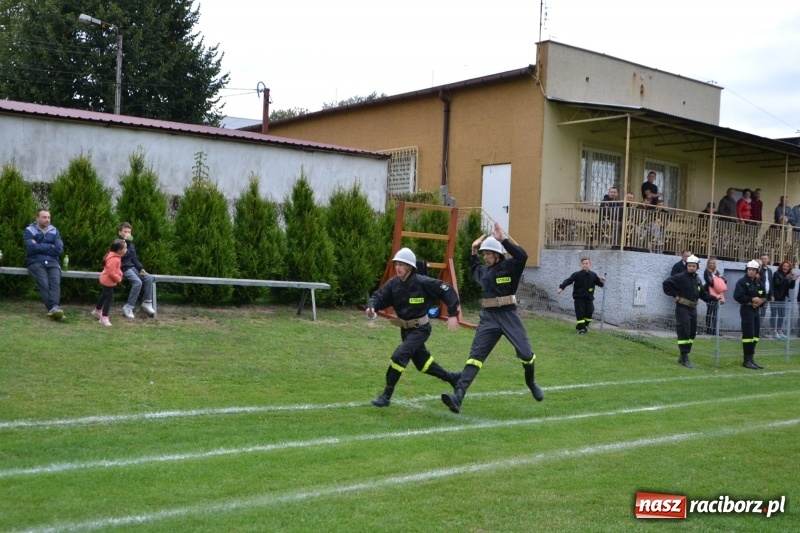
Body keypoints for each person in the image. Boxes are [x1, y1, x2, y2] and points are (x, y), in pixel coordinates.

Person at [441, 222, 544, 414]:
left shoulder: (510, 266)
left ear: (497, 254)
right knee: (475, 358)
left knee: (526, 354)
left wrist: (503, 239)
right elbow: (474, 267)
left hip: (508, 315)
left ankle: (531, 382)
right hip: (489, 318)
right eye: (484, 254)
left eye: (489, 253)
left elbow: (523, 256)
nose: (486, 257)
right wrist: (473, 251)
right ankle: (458, 397)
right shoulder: (483, 272)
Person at [366, 247, 462, 407]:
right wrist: (372, 308)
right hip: (405, 330)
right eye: (397, 264)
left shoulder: (423, 282)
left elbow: (447, 290)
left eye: (402, 265)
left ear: (410, 267)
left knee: (399, 356)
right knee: (423, 364)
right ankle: (452, 378)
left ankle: (386, 395)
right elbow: (379, 297)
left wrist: (453, 314)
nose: (398, 267)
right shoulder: (393, 284)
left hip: (421, 329)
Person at [662, 255, 721, 368]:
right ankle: (684, 357)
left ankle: (685, 354)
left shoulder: (697, 280)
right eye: (689, 266)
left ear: (697, 267)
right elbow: (666, 284)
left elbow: (702, 294)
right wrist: (675, 295)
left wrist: (714, 298)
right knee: (684, 330)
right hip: (682, 308)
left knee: (692, 332)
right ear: (686, 266)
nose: (691, 268)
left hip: (693, 309)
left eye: (693, 266)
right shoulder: (679, 277)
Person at [23, 209, 65, 320]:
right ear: (37, 218)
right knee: (44, 284)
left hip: (53, 262)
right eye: (44, 217)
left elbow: (59, 249)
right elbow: (31, 248)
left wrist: (40, 246)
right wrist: (50, 246)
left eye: (49, 217)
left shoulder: (54, 230)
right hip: (36, 262)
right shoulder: (29, 230)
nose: (47, 220)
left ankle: (54, 308)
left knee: (55, 283)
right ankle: (54, 309)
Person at [733, 260, 767, 370]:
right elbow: (738, 296)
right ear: (747, 270)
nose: (751, 272)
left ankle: (751, 358)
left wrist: (760, 302)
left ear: (757, 271)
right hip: (747, 310)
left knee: (755, 335)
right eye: (749, 269)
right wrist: (752, 299)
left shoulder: (758, 283)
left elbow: (764, 296)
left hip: (756, 311)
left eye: (753, 270)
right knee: (748, 334)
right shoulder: (742, 282)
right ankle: (746, 360)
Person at [117, 222, 156, 318]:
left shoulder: (132, 245)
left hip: (132, 268)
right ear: (120, 233)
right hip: (123, 268)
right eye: (125, 231)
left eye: (129, 232)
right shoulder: (117, 243)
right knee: (138, 282)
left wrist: (141, 268)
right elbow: (119, 257)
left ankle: (147, 303)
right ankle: (128, 307)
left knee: (148, 277)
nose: (127, 233)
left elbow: (134, 259)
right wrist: (124, 242)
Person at [557, 258, 605, 334]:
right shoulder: (576, 274)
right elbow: (569, 281)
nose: (585, 265)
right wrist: (561, 287)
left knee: (590, 311)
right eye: (583, 263)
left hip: (589, 298)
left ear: (590, 265)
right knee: (580, 312)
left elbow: (599, 283)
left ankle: (583, 325)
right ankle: (582, 329)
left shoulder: (593, 275)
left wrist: (601, 281)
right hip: (579, 297)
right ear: (581, 265)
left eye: (586, 263)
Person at [91, 239, 127, 327]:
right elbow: (111, 272)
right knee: (109, 298)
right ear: (119, 250)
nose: (127, 249)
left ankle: (97, 310)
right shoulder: (114, 259)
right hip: (107, 281)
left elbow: (116, 269)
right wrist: (119, 278)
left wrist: (120, 273)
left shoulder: (116, 257)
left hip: (107, 280)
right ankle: (104, 317)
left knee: (104, 295)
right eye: (125, 248)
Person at [770, 260, 797, 340]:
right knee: (774, 315)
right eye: (784, 266)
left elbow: (791, 287)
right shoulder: (776, 274)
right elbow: (777, 284)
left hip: (783, 297)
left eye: (787, 266)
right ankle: (774, 332)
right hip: (775, 297)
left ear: (789, 268)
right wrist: (785, 278)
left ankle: (779, 331)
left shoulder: (789, 275)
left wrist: (793, 280)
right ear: (781, 266)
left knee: (782, 315)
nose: (785, 267)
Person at [703, 258, 727, 335]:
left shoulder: (717, 272)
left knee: (716, 313)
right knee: (710, 312)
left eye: (713, 263)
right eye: (710, 263)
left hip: (717, 294)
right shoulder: (706, 272)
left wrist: (718, 280)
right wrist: (718, 281)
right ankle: (708, 329)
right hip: (710, 294)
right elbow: (710, 283)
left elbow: (724, 280)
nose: (711, 265)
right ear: (708, 264)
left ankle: (714, 330)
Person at [757, 253, 774, 327]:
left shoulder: (769, 270)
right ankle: (755, 330)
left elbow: (770, 283)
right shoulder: (758, 270)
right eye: (762, 258)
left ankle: (759, 329)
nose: (764, 260)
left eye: (765, 258)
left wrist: (772, 295)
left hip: (767, 294)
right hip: (760, 294)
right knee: (758, 312)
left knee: (763, 313)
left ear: (768, 260)